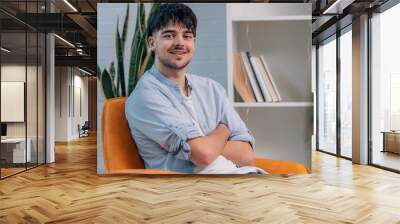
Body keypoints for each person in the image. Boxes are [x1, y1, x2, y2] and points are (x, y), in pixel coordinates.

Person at [125, 3, 265, 174]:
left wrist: (207, 145)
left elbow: (246, 156)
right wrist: (223, 129)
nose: (180, 43)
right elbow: (203, 154)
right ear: (152, 42)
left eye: (187, 36)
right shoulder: (146, 95)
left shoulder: (212, 89)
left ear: (194, 42)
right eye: (169, 35)